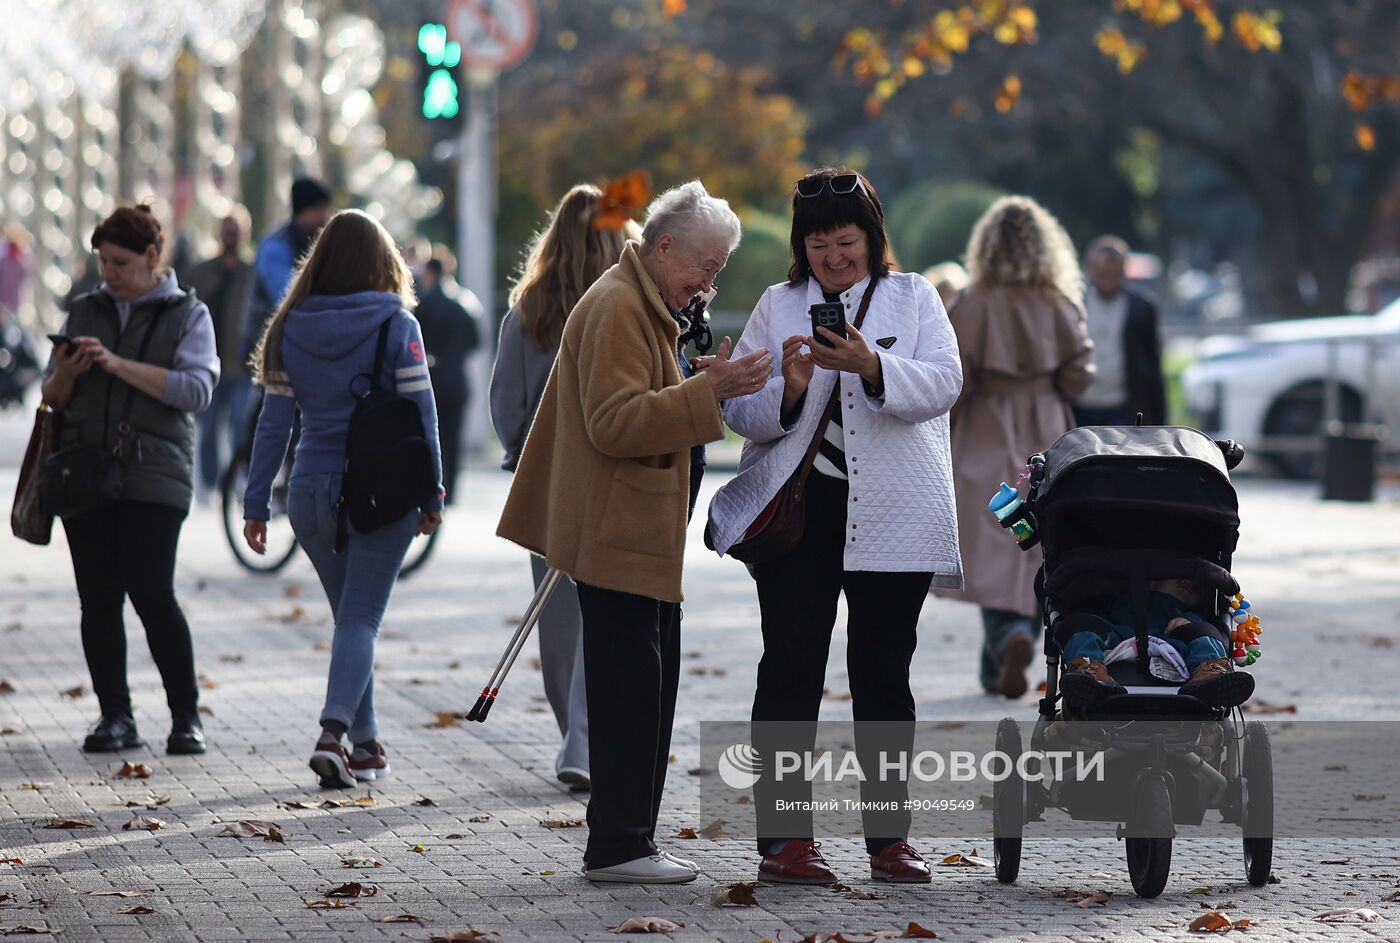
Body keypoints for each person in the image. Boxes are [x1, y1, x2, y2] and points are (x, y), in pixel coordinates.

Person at [497, 180, 771, 884]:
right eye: (704, 268)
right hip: (615, 532)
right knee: (630, 693)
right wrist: (710, 391)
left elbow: (640, 403)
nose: (709, 284)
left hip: (631, 532)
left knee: (645, 687)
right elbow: (616, 421)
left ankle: (629, 840)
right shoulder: (620, 305)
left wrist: (698, 381)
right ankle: (619, 846)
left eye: (718, 273)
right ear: (665, 246)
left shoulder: (641, 301)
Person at [707, 168, 964, 886]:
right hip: (802, 516)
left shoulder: (916, 298)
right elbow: (744, 415)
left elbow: (945, 383)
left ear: (873, 237)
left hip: (896, 516)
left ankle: (890, 840)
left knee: (884, 678)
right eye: (817, 244)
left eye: (845, 241)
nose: (832, 257)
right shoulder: (777, 303)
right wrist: (786, 391)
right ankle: (785, 842)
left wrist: (872, 365)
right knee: (789, 672)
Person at [241, 210, 444, 789]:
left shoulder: (288, 325)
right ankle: (332, 734)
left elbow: (273, 424)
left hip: (310, 491)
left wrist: (257, 503)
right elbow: (422, 414)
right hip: (384, 489)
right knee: (361, 617)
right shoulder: (397, 323)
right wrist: (433, 491)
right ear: (383, 263)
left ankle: (366, 744)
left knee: (353, 616)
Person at [39, 205, 218, 755]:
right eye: (102, 262)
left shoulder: (188, 314)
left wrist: (115, 364)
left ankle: (185, 716)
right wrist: (67, 372)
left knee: (152, 591)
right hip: (85, 468)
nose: (109, 273)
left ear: (150, 257)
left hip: (155, 469)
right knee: (97, 599)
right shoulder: (84, 309)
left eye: (119, 262)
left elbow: (197, 390)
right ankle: (115, 716)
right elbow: (51, 398)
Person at [489, 185, 640, 792]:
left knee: (558, 619)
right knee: (605, 608)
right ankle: (584, 736)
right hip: (617, 474)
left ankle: (574, 735)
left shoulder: (529, 311)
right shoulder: (630, 304)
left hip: (547, 476)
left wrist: (519, 447)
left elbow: (507, 404)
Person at [937, 195, 1094, 699]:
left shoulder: (972, 301)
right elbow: (1079, 375)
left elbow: (954, 378)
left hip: (987, 430)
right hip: (1047, 428)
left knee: (999, 541)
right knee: (1040, 542)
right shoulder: (1059, 302)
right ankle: (1022, 636)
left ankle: (1008, 638)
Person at [1060, 578, 1255, 710]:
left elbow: (1203, 628)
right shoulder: (1120, 601)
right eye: (1179, 577)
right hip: (1117, 636)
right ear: (1152, 579)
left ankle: (1210, 674)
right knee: (1083, 625)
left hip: (1172, 640)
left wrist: (1189, 620)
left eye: (1196, 586)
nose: (1188, 583)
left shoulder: (1188, 614)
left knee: (1204, 633)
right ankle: (1089, 670)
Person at [242, 178, 333, 397]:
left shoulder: (313, 242)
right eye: (319, 209)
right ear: (304, 210)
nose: (325, 217)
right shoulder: (276, 246)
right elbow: (286, 297)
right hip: (272, 351)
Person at [185, 211, 255, 498]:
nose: (231, 237)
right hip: (209, 363)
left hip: (242, 365)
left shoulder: (252, 272)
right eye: (227, 231)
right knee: (209, 428)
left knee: (241, 426)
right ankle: (211, 485)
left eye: (235, 231)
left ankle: (238, 482)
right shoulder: (203, 271)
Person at [1071, 235, 1166, 427]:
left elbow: (1152, 367)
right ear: (1090, 270)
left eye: (1113, 274)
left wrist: (1158, 418)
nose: (1108, 281)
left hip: (1123, 408)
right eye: (1102, 274)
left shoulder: (1142, 308)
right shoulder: (1073, 305)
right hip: (1079, 406)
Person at [416, 252, 482, 503]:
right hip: (458, 381)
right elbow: (477, 342)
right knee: (452, 438)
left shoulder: (423, 304)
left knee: (429, 436)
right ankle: (450, 491)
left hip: (430, 381)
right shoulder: (464, 305)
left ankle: (432, 487)